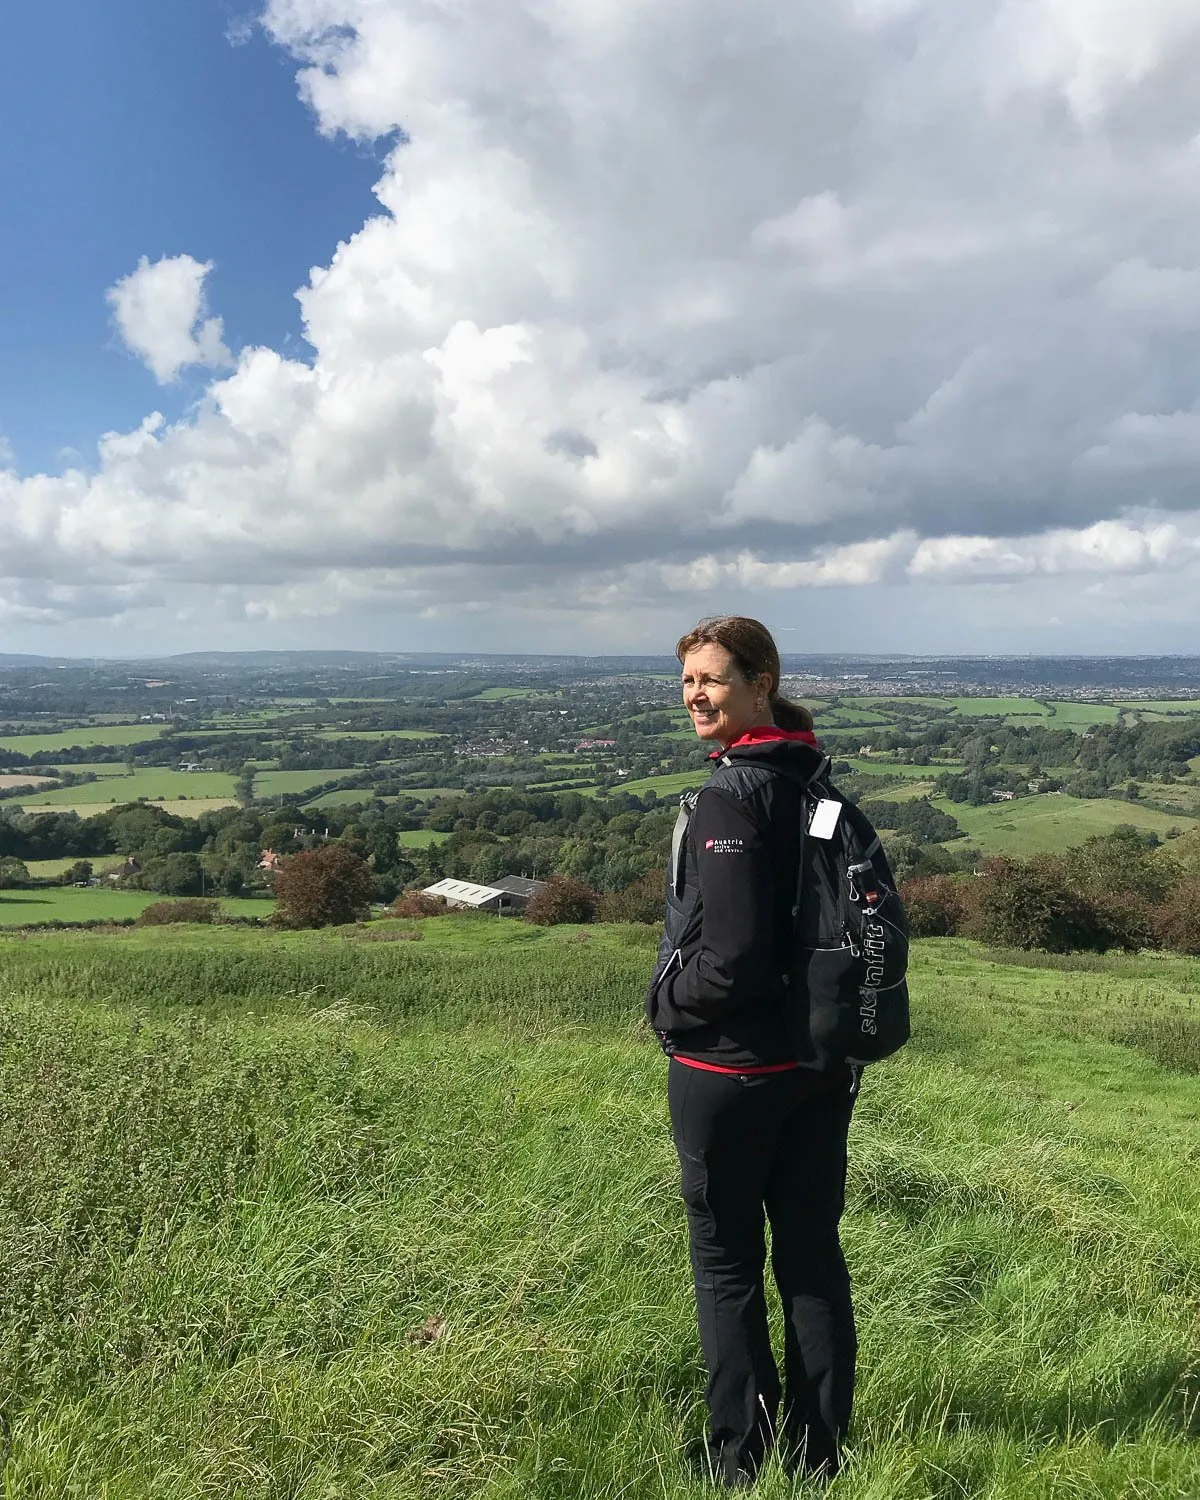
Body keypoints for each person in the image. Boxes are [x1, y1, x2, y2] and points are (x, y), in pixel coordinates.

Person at [647, 615, 858, 1489]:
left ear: (759, 684)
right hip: (818, 1064)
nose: (696, 694)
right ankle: (821, 1453)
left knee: (726, 1261)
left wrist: (666, 1004)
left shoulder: (736, 793)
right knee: (810, 1253)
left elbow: (728, 961)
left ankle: (740, 1457)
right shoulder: (813, 779)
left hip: (729, 1070)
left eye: (713, 679)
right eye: (687, 679)